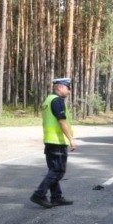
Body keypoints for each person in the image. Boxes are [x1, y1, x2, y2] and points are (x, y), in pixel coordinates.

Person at [30, 77, 77, 208]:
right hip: (57, 141)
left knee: (54, 170)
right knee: (58, 171)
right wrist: (71, 140)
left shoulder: (47, 100)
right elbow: (61, 121)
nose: (69, 91)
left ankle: (56, 197)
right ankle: (39, 194)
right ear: (60, 87)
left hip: (49, 141)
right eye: (68, 88)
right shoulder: (57, 101)